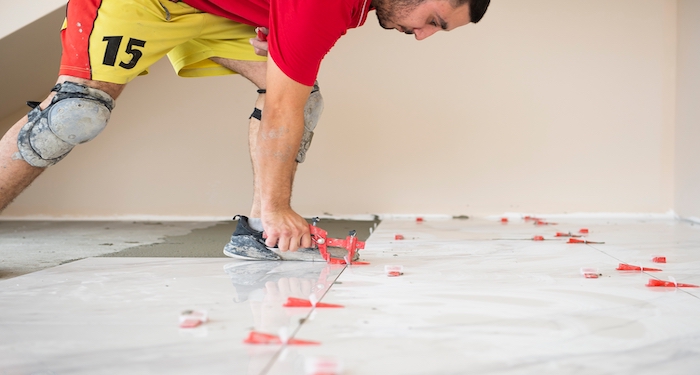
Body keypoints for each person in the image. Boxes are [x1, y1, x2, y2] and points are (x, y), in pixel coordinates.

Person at [0, 0, 490, 261]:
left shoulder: (361, 6)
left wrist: (273, 30)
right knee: (75, 114)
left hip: (214, 12)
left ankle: (260, 232)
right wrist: (283, 204)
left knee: (306, 99)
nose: (423, 36)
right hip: (144, 3)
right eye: (434, 21)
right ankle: (273, 216)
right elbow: (281, 108)